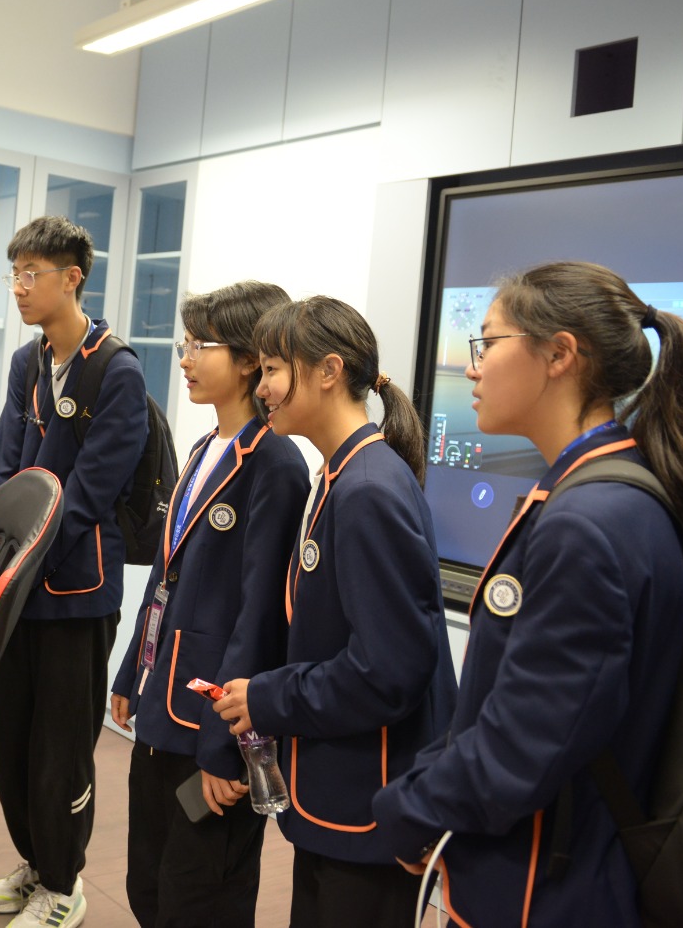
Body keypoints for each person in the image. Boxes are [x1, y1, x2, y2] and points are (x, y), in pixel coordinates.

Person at [371, 262, 683, 925]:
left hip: (548, 888)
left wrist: (408, 812)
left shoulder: (588, 520)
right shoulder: (609, 489)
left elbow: (526, 743)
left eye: (487, 343)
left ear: (560, 354)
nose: (471, 367)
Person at [211, 295, 456, 928]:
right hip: (339, 794)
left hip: (368, 802)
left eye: (272, 369)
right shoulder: (342, 475)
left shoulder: (367, 488)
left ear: (328, 371)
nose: (261, 387)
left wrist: (269, 697)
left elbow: (388, 671)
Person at [109, 281, 310, 928]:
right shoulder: (201, 451)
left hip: (211, 728)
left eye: (201, 345)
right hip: (161, 709)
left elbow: (262, 617)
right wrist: (129, 672)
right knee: (149, 883)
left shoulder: (275, 464)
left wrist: (231, 749)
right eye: (185, 343)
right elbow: (165, 577)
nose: (186, 358)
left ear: (250, 359)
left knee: (200, 894)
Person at [0, 215, 149, 928]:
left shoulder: (116, 370)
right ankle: (34, 864)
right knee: (9, 742)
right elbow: (3, 469)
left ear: (72, 278)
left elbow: (89, 495)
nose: (18, 287)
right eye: (13, 274)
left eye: (31, 274)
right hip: (18, 588)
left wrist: (22, 555)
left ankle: (64, 884)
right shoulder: (28, 363)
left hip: (77, 595)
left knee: (61, 751)